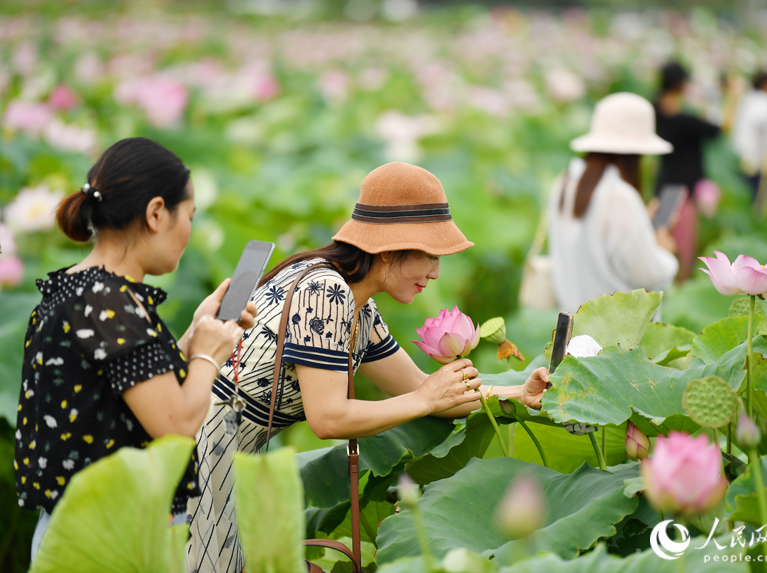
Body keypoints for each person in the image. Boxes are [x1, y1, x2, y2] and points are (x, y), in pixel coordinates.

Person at [186, 162, 552, 573]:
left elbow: (423, 387)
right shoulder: (327, 291)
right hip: (201, 453)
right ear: (389, 248)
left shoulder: (357, 307)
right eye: (429, 255)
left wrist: (518, 393)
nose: (435, 272)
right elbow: (329, 417)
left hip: (228, 457)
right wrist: (422, 399)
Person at [14, 137, 256, 561]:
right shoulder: (108, 300)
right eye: (190, 216)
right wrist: (207, 357)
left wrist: (196, 335)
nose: (189, 231)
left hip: (87, 529)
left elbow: (123, 391)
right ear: (157, 213)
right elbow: (176, 423)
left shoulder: (79, 288)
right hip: (107, 538)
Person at [548, 92, 679, 313]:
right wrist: (662, 250)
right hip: (615, 339)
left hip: (572, 330)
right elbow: (649, 275)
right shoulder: (619, 196)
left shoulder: (566, 181)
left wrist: (641, 227)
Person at [654, 62, 731, 282]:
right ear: (681, 85)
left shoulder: (657, 113)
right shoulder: (685, 122)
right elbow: (720, 129)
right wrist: (733, 96)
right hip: (683, 194)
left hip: (663, 188)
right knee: (681, 254)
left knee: (660, 244)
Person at [732, 70, 767, 206]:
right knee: (760, 203)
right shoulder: (762, 103)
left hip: (755, 161)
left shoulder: (753, 100)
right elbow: (762, 127)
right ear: (766, 85)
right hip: (762, 164)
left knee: (756, 201)